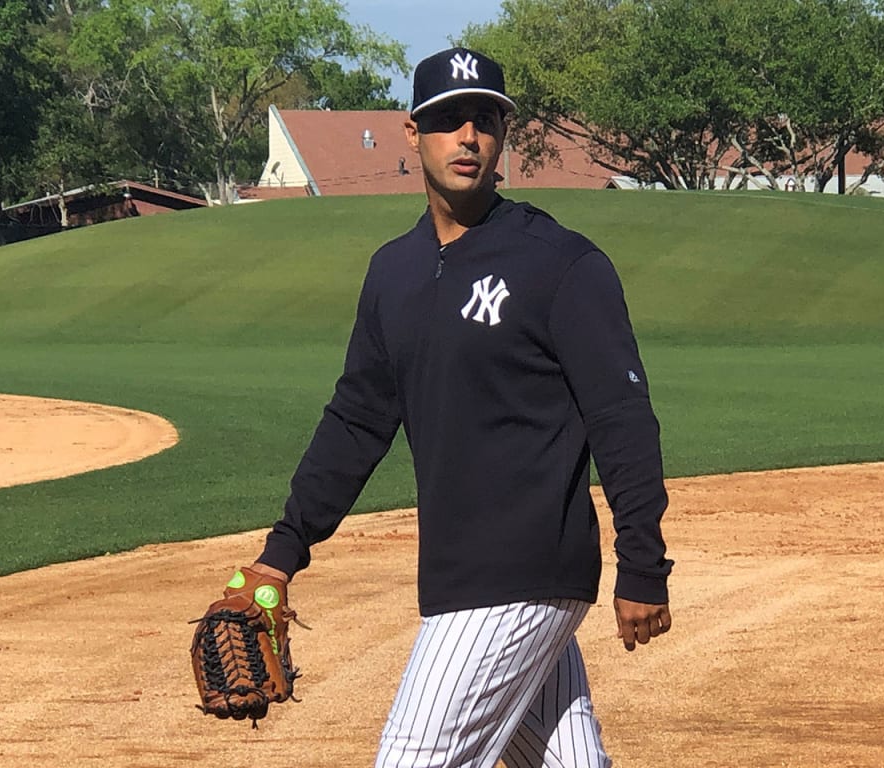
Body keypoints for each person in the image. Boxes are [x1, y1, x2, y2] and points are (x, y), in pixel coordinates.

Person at [239, 47, 673, 768]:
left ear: (505, 134)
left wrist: (643, 565)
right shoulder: (393, 272)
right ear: (414, 133)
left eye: (484, 119)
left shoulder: (560, 263)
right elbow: (357, 421)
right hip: (458, 574)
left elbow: (621, 417)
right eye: (448, 120)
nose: (467, 137)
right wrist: (283, 553)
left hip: (526, 570)